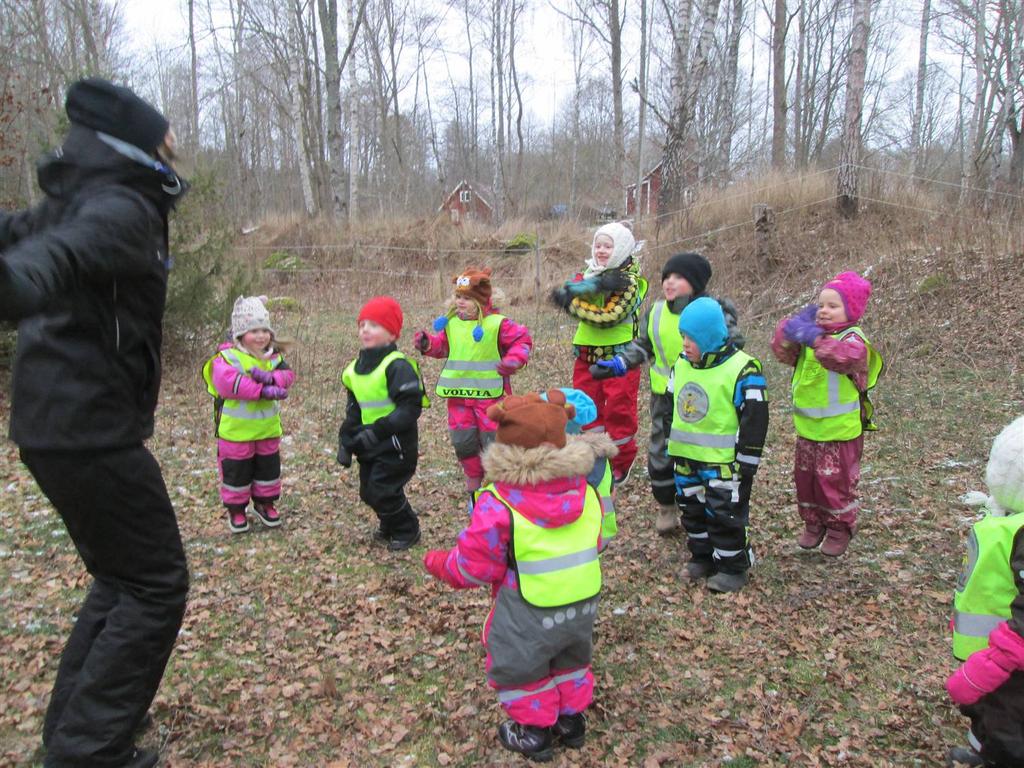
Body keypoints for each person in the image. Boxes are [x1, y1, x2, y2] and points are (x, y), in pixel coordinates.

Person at [0, 78, 190, 767]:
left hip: (55, 427)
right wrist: (17, 284)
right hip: (89, 430)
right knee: (155, 582)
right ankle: (86, 753)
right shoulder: (120, 207)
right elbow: (53, 257)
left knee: (122, 576)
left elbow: (29, 239)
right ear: (138, 143)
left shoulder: (78, 197)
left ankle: (73, 737)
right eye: (168, 135)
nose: (176, 146)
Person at [423, 390, 604, 761]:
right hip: (582, 601)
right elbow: (596, 540)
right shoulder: (585, 492)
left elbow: (474, 566)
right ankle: (571, 721)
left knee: (521, 664)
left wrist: (438, 562)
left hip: (528, 606)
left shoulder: (499, 501)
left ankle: (534, 731)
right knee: (571, 656)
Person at [591, 252, 745, 534]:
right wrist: (618, 363)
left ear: (696, 282)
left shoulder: (715, 311)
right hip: (665, 400)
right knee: (660, 455)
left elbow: (733, 343)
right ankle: (666, 506)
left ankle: (708, 508)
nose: (669, 283)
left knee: (704, 455)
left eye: (678, 277)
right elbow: (643, 346)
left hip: (707, 400)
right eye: (666, 277)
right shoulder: (657, 311)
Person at [771, 271, 883, 557]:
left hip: (840, 432)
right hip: (808, 429)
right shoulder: (813, 339)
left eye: (833, 306)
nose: (824, 311)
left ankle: (839, 528)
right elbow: (782, 351)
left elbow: (843, 358)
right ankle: (813, 523)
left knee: (834, 483)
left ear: (851, 311)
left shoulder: (853, 339)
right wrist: (791, 328)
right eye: (821, 305)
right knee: (806, 480)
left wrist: (815, 339)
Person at [668, 298, 768, 593]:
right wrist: (666, 442)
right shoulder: (682, 364)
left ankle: (732, 567)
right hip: (686, 459)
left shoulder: (744, 369)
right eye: (683, 336)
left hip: (724, 465)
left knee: (725, 514)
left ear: (710, 337)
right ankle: (702, 557)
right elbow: (668, 406)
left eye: (692, 338)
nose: (685, 344)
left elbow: (755, 417)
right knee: (692, 510)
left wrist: (748, 459)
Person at [944, 415, 1024, 768]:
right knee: (986, 712)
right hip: (988, 648)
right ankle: (984, 752)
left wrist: (998, 659)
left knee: (1009, 721)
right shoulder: (1006, 517)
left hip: (1009, 658)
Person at [413, 267, 532, 498]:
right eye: (458, 297)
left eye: (467, 298)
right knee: (463, 442)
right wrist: (428, 344)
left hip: (491, 399)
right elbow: (444, 347)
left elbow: (522, 340)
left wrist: (514, 359)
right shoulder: (452, 324)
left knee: (494, 441)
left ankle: (500, 489)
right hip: (459, 397)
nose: (460, 302)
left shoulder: (498, 324)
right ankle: (474, 488)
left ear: (481, 300)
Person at [551, 221, 648, 485]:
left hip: (619, 359)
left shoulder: (629, 281)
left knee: (619, 412)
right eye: (598, 245)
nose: (601, 250)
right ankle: (592, 456)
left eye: (608, 246)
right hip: (586, 359)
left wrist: (571, 305)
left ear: (622, 249)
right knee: (585, 409)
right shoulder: (590, 274)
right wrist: (588, 288)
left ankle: (621, 461)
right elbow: (567, 290)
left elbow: (609, 317)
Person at [338, 296, 427, 551]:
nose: (365, 329)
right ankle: (390, 524)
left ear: (391, 334)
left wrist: (378, 431)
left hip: (396, 444)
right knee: (368, 491)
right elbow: (354, 408)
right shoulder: (353, 369)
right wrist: (347, 438)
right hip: (370, 443)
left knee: (382, 488)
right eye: (362, 324)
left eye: (374, 325)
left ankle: (407, 529)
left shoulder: (398, 366)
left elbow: (410, 408)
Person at [202, 295, 295, 533]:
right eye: (254, 330)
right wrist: (263, 390)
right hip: (235, 433)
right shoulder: (228, 358)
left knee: (268, 469)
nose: (261, 335)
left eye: (265, 329)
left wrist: (274, 378)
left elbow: (288, 376)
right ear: (240, 334)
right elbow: (228, 384)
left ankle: (265, 503)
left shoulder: (273, 358)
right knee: (237, 472)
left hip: (266, 430)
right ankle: (236, 509)